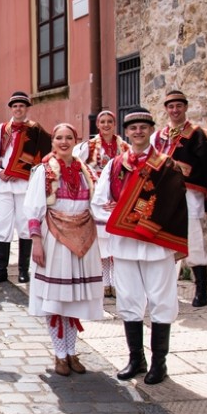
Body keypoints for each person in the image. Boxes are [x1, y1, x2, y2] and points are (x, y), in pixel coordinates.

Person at [91, 108, 187, 384]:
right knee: (130, 299)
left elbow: (176, 206)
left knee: (161, 300)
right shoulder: (115, 165)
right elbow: (99, 203)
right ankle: (136, 359)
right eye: (133, 128)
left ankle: (160, 363)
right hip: (125, 243)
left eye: (143, 127)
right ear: (127, 132)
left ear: (150, 130)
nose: (138, 132)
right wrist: (125, 218)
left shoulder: (167, 165)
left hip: (157, 244)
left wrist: (143, 219)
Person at [24, 124, 103, 376]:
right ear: (52, 142)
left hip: (82, 236)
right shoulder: (43, 171)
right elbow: (34, 207)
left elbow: (97, 202)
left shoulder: (85, 171)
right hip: (54, 236)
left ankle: (71, 351)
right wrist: (36, 241)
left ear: (76, 140)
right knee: (55, 297)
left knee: (74, 299)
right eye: (59, 137)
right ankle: (59, 354)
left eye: (69, 137)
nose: (64, 141)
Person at [151, 90, 207, 307]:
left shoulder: (199, 134)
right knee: (165, 240)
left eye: (178, 106)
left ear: (185, 107)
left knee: (193, 239)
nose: (174, 110)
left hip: (189, 196)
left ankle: (201, 289)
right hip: (165, 196)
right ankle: (167, 290)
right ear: (166, 109)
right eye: (171, 107)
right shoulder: (159, 136)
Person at [0, 92, 51, 285]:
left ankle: (24, 270)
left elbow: (44, 155)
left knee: (24, 225)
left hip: (25, 185)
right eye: (15, 106)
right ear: (11, 109)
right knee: (3, 226)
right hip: (3, 185)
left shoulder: (35, 130)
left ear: (26, 109)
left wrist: (30, 174)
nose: (18, 109)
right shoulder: (2, 129)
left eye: (22, 106)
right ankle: (1, 270)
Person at [75, 110, 130, 297]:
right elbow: (78, 166)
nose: (106, 125)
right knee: (101, 240)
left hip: (117, 196)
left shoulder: (124, 146)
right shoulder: (88, 147)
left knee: (115, 238)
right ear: (97, 125)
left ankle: (116, 281)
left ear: (114, 124)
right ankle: (105, 280)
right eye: (103, 122)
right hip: (97, 196)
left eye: (109, 121)